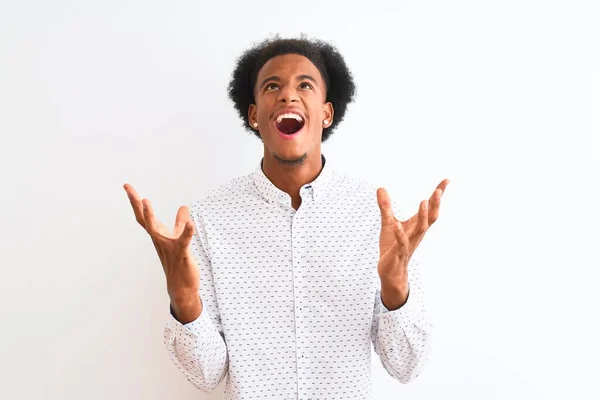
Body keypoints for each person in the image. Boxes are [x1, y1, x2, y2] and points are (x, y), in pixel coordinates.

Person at [124, 35, 449, 400]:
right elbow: (207, 375)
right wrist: (184, 299)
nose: (288, 96)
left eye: (304, 85)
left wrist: (395, 290)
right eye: (272, 86)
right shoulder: (208, 220)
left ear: (326, 112)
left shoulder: (377, 216)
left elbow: (406, 366)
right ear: (253, 115)